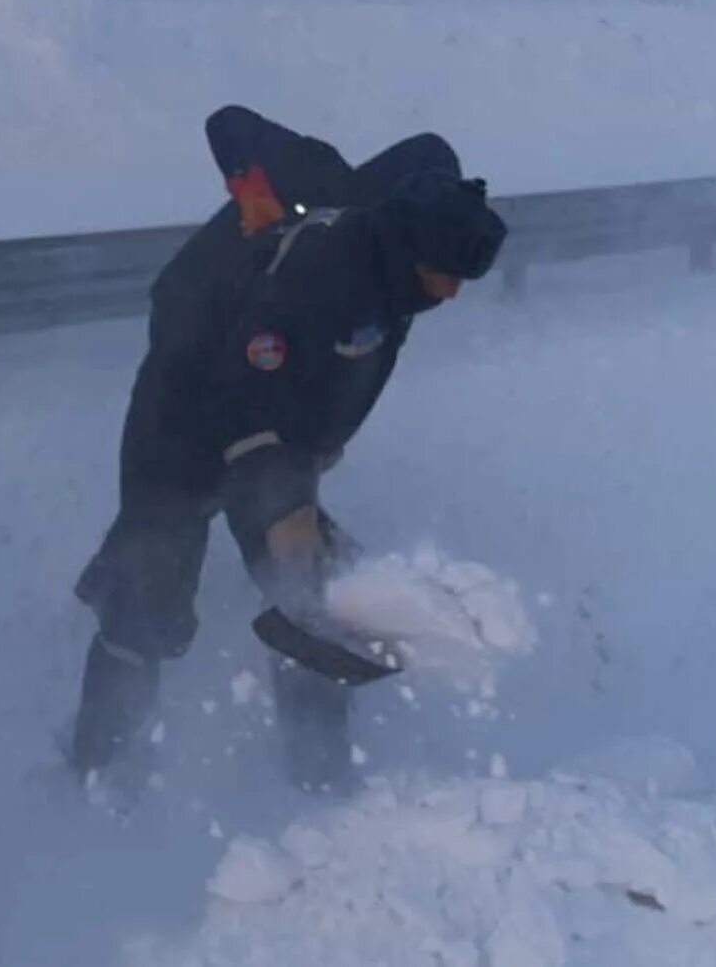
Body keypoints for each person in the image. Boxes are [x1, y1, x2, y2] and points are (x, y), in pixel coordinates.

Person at [69, 105, 507, 791]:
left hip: (267, 412)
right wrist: (287, 509)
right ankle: (99, 767)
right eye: (443, 272)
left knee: (313, 597)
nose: (450, 293)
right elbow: (252, 406)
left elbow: (321, 376)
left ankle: (321, 780)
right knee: (148, 590)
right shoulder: (323, 262)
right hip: (182, 410)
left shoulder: (389, 253)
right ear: (412, 232)